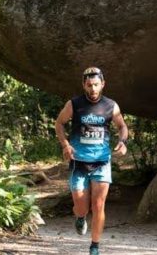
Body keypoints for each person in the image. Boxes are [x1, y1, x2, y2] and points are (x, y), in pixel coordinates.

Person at [55, 67, 129, 255]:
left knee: (98, 206)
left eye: (96, 85)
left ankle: (95, 246)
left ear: (103, 84)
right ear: (84, 85)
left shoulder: (111, 105)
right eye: (89, 85)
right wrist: (65, 145)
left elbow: (122, 126)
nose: (93, 89)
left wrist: (122, 141)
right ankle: (80, 217)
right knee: (82, 207)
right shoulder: (74, 104)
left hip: (102, 162)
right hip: (78, 162)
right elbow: (59, 123)